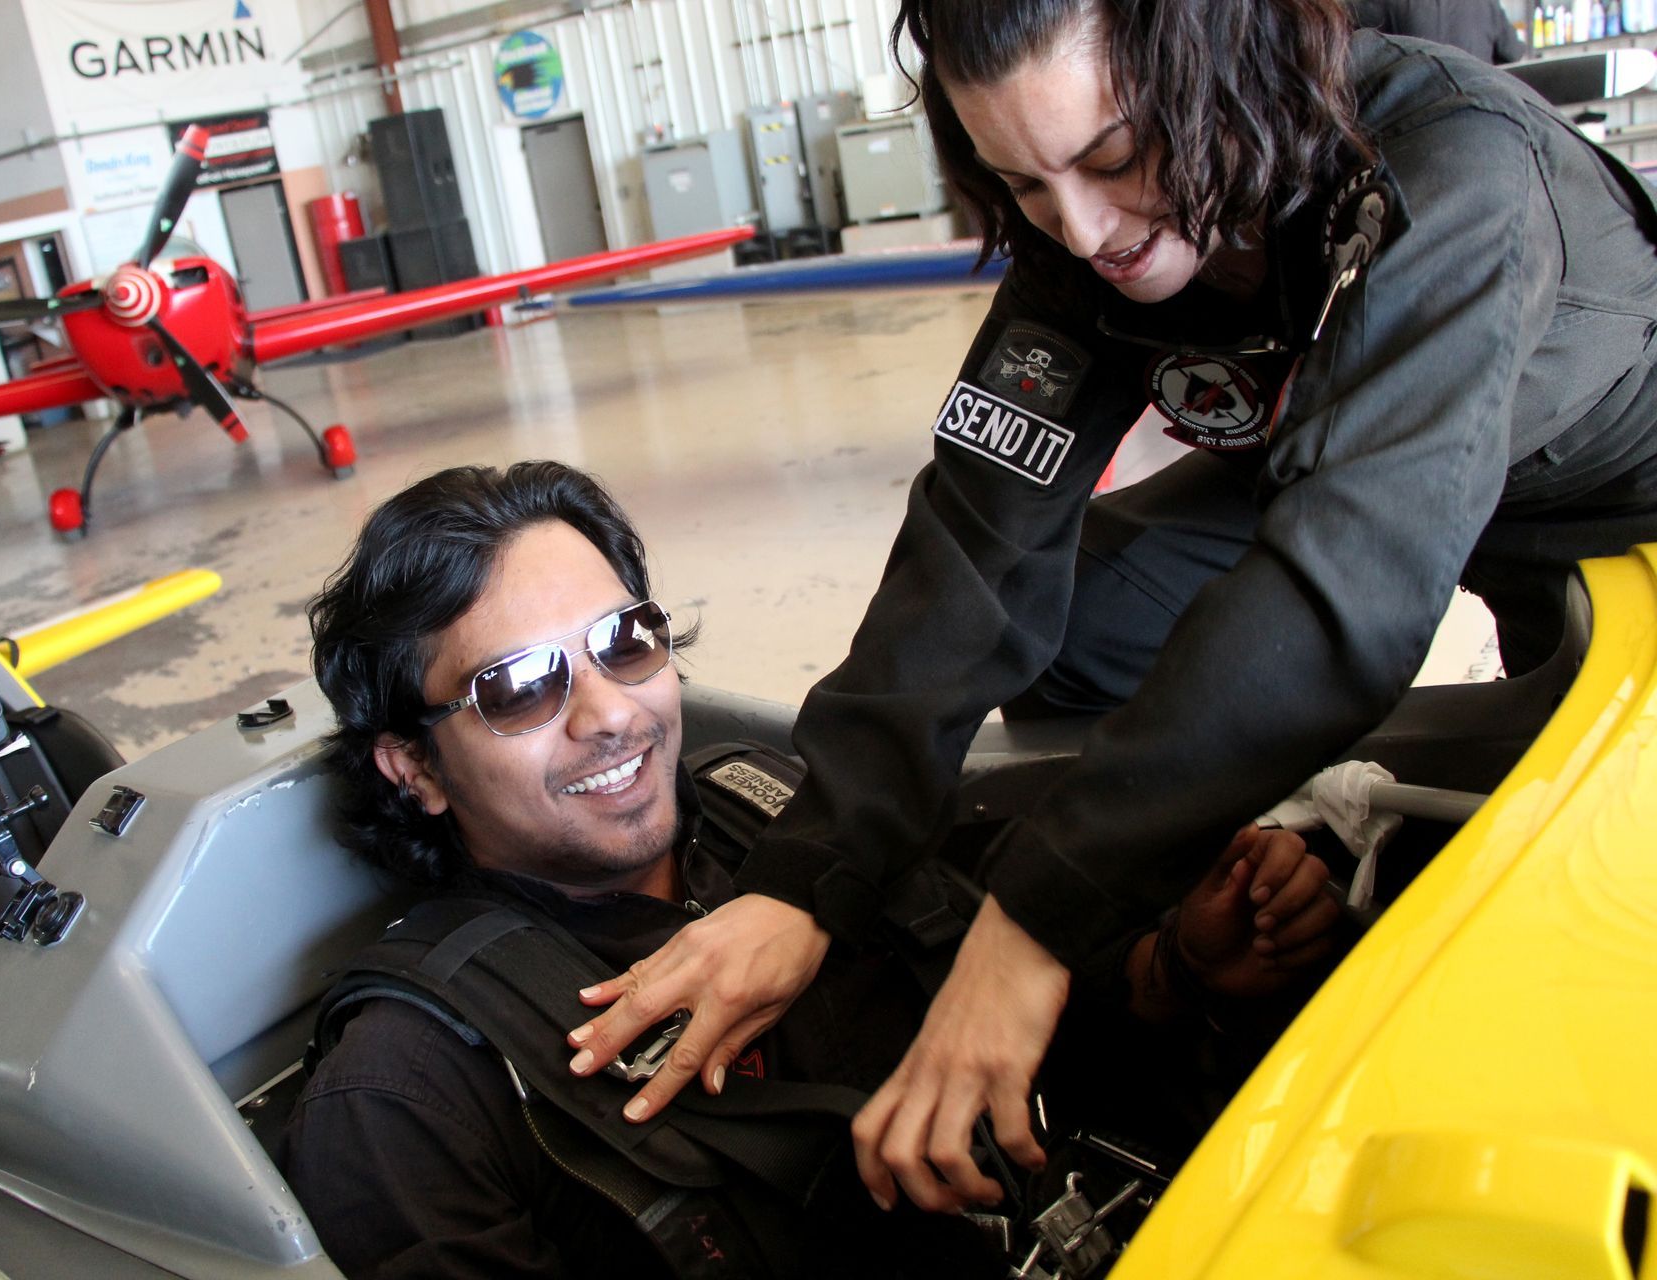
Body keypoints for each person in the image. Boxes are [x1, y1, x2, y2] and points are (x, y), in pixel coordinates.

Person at [560, 0, 1657, 1221]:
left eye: (1115, 158)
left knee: (1589, 893)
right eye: (1020, 181)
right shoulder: (1079, 241)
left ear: (1225, 70)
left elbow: (1348, 586)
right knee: (1073, 632)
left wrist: (1035, 919)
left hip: (1605, 497)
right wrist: (811, 867)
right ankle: (1220, 820)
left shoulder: (1457, 175)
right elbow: (974, 547)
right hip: (1320, 461)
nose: (1080, 231)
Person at [281, 461, 1339, 1278]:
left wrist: (1181, 969)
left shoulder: (785, 807)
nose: (610, 713)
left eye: (625, 640)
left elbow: (1008, 985)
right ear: (412, 764)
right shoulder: (404, 1093)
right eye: (517, 687)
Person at [1350, 0, 1527, 63]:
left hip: (1414, 128)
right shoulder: (1486, 3)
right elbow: (1512, 53)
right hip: (1483, 118)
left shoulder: (1376, 4)